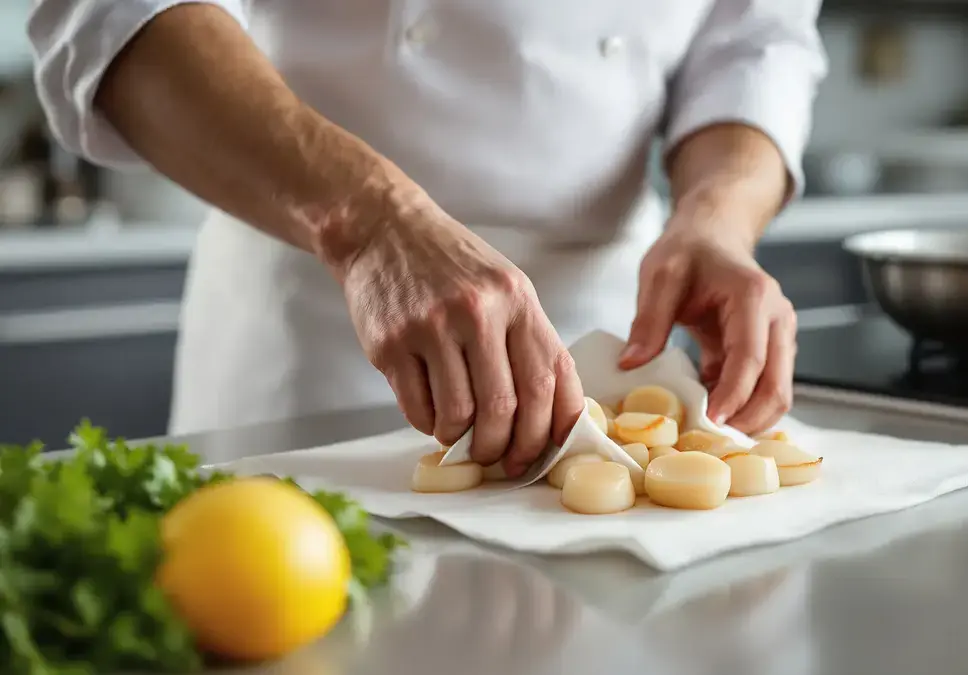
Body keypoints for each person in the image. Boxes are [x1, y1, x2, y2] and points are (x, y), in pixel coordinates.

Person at [28, 1, 826, 477]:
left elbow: (754, 43)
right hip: (318, 333)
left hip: (609, 330)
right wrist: (369, 222)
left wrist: (719, 216)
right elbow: (117, 12)